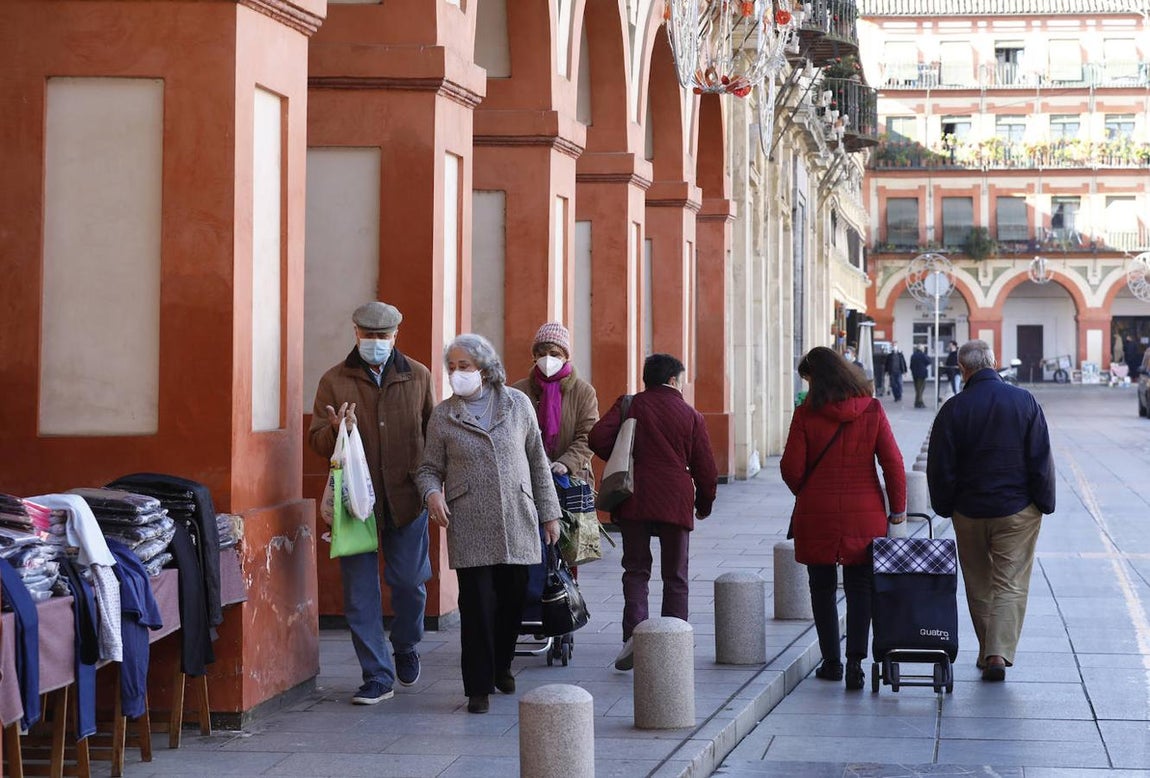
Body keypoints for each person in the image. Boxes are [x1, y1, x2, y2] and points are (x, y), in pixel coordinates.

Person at [416, 334, 561, 714]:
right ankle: (477, 688)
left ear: (484, 366)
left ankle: (503, 664)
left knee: (514, 600)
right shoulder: (444, 416)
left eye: (464, 366)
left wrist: (550, 513)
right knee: (477, 605)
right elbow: (429, 468)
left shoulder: (517, 404)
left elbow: (537, 461)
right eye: (452, 367)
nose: (457, 374)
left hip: (517, 516)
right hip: (470, 522)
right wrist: (432, 494)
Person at [308, 301, 435, 705]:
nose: (376, 342)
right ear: (356, 333)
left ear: (396, 335)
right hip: (353, 504)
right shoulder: (334, 380)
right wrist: (334, 431)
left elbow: (433, 433)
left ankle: (405, 644)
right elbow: (316, 442)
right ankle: (376, 675)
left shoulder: (418, 376)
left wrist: (432, 486)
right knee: (360, 593)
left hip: (407, 496)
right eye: (369, 335)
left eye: (383, 336)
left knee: (410, 583)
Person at [926, 340, 1056, 682]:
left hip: (968, 511)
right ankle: (997, 654)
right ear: (994, 363)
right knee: (1010, 582)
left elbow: (939, 466)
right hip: (1016, 510)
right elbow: (1040, 457)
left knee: (978, 581)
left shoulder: (953, 408)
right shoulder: (1024, 401)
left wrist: (945, 505)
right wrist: (1044, 502)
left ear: (962, 369)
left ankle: (988, 650)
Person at [781, 346, 906, 691]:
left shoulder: (806, 414)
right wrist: (897, 508)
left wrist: (807, 491)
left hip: (817, 512)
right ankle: (856, 664)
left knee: (821, 587)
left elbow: (791, 469)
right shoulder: (873, 409)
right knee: (861, 587)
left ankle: (832, 662)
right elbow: (892, 462)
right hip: (865, 513)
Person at [588, 354, 718, 672]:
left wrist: (624, 452)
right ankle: (672, 644)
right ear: (673, 380)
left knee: (636, 571)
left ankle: (635, 639)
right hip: (675, 498)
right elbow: (707, 469)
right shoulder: (691, 415)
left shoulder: (631, 404)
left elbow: (596, 438)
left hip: (634, 497)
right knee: (676, 575)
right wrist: (704, 504)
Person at [511, 322, 599, 481]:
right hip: (529, 479)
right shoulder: (518, 391)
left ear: (566, 357)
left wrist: (566, 463)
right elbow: (510, 434)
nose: (547, 359)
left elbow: (589, 435)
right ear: (535, 357)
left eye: (554, 354)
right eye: (541, 354)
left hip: (572, 479)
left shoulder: (583, 392)